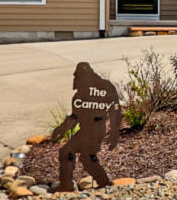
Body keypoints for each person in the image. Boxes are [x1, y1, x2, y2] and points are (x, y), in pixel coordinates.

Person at [46, 61, 123, 192]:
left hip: (94, 129)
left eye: (77, 76)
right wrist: (62, 129)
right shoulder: (85, 93)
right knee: (86, 156)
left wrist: (115, 132)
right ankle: (103, 183)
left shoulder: (101, 88)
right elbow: (75, 117)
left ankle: (67, 185)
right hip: (90, 129)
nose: (75, 79)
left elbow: (115, 109)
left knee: (68, 152)